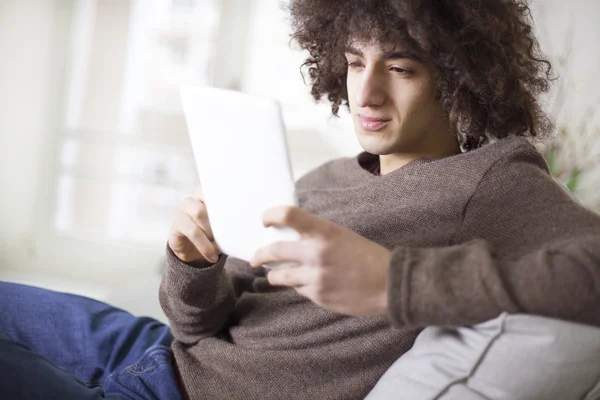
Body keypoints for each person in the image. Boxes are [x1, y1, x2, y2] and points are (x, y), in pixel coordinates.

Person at [2, 0, 600, 399]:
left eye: (400, 68)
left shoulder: (490, 181)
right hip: (157, 350)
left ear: (459, 74)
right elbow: (194, 323)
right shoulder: (327, 175)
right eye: (353, 61)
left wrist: (395, 280)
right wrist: (192, 262)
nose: (366, 92)